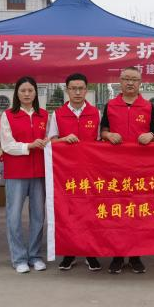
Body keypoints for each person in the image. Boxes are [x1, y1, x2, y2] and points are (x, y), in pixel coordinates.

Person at [100, 66, 154, 274]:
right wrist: (108, 135)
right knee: (116, 212)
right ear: (120, 81)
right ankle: (117, 256)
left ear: (140, 83)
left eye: (134, 79)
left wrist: (151, 135)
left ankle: (135, 256)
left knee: (137, 212)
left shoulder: (148, 107)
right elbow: (103, 130)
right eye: (126, 79)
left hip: (140, 170)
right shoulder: (110, 105)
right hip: (115, 169)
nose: (130, 82)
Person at [47, 73, 102, 272]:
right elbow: (51, 141)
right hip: (66, 174)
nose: (77, 92)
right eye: (73, 88)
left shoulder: (96, 113)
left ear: (86, 90)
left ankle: (90, 252)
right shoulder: (58, 114)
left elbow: (100, 142)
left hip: (90, 173)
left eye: (81, 88)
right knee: (68, 213)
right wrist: (63, 139)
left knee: (90, 212)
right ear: (67, 90)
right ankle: (69, 252)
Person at [0, 76, 49, 274]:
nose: (27, 94)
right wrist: (29, 146)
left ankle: (35, 255)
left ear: (36, 93)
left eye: (30, 90)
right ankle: (19, 257)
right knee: (14, 216)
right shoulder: (8, 115)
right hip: (16, 173)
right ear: (17, 93)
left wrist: (48, 142)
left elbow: (50, 139)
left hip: (39, 172)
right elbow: (7, 145)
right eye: (23, 91)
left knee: (38, 216)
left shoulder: (44, 115)